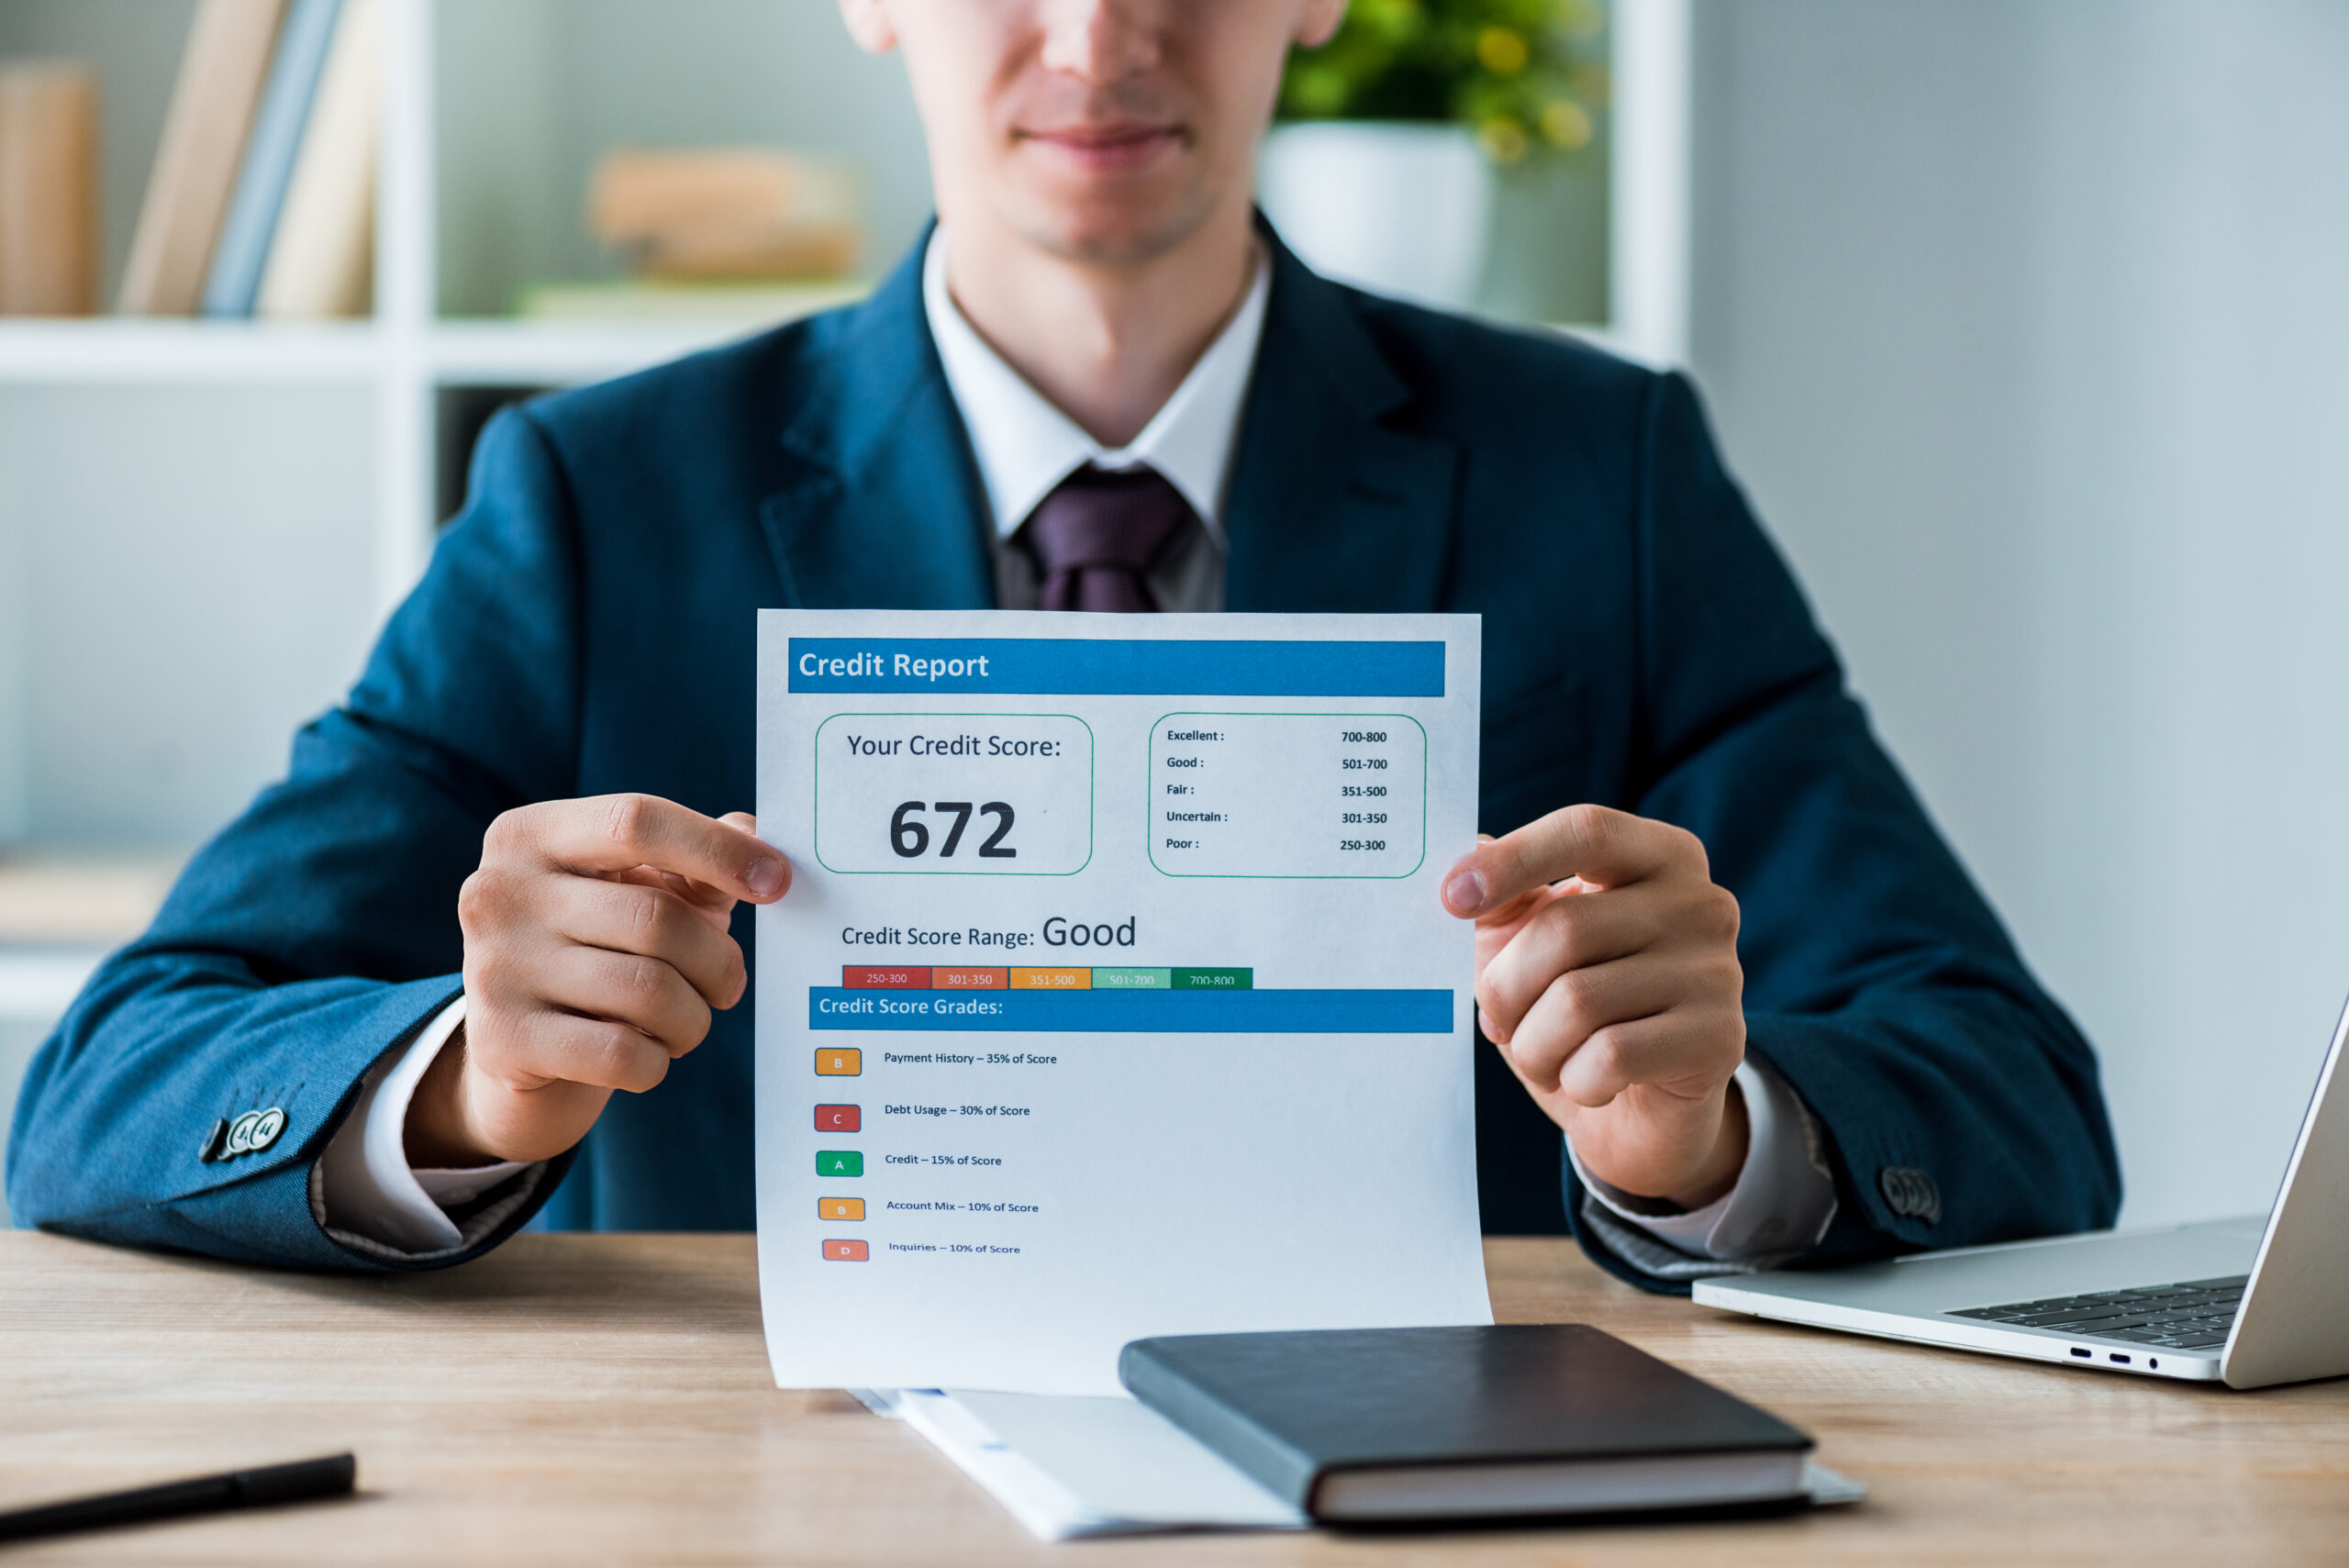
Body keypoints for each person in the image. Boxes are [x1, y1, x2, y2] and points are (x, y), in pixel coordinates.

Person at [6, 0, 2119, 1285]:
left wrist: (1712, 1134)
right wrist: (462, 1082)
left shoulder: (1602, 470)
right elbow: (102, 1089)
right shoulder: (594, 499)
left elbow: (2010, 1097)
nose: (1098, 35)